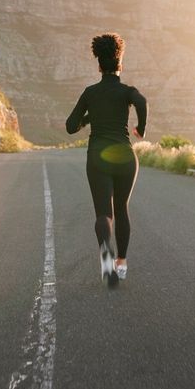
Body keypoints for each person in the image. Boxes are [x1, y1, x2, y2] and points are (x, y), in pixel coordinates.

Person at [66, 33, 147, 287]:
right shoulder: (127, 91)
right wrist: (141, 128)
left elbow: (70, 126)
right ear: (119, 63)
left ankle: (106, 254)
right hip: (124, 154)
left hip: (98, 155)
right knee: (121, 209)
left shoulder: (90, 93)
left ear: (99, 64)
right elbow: (142, 102)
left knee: (104, 213)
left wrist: (89, 117)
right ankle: (121, 263)